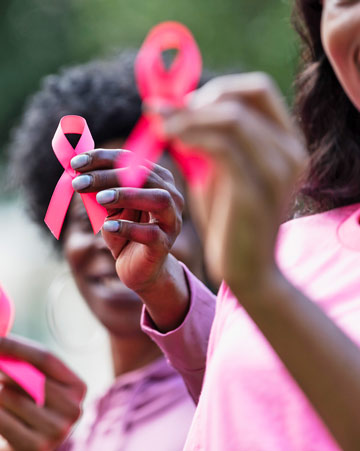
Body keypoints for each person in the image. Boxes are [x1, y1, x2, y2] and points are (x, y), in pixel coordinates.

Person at [66, 2, 360, 450]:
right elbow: (256, 405)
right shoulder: (289, 245)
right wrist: (167, 291)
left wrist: (264, 287)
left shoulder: (263, 272)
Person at [6, 52, 209, 450]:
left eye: (144, 215)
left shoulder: (238, 383)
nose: (112, 240)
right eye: (87, 221)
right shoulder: (83, 426)